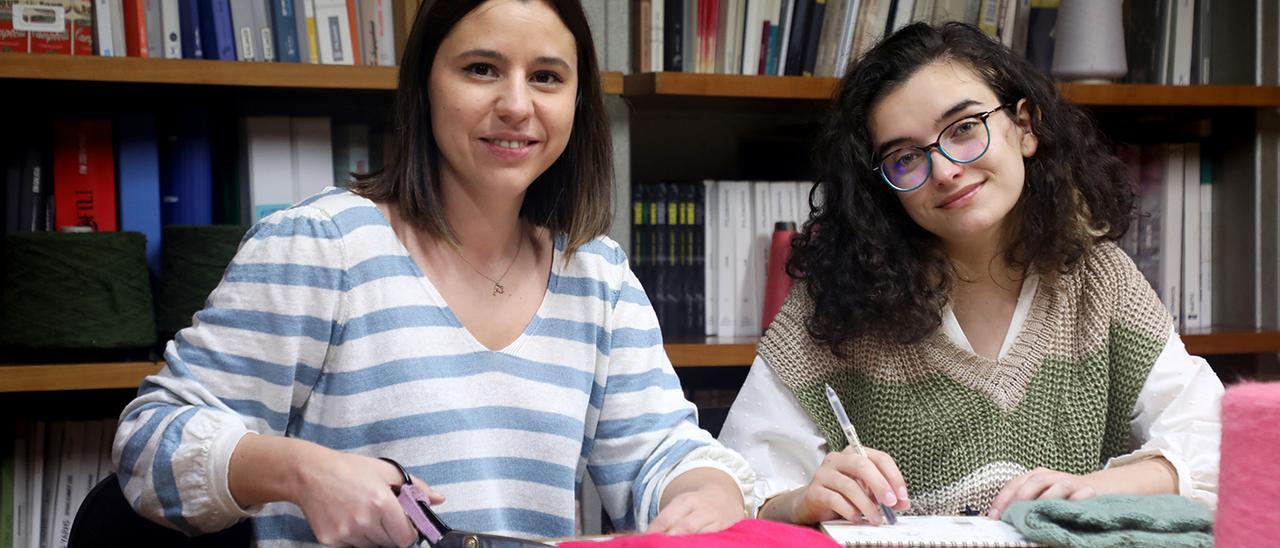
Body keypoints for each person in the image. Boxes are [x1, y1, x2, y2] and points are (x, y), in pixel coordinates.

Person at [113, 1, 753, 545]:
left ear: (578, 101)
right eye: (482, 69)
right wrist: (301, 472)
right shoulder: (324, 246)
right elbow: (149, 441)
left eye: (548, 77)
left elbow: (662, 455)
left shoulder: (598, 278)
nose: (516, 105)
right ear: (424, 84)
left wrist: (708, 489)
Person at [719, 22, 1222, 527]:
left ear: (1024, 127)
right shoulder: (833, 303)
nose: (944, 170)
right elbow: (738, 485)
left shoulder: (1099, 281)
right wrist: (801, 500)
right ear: (882, 187)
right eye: (906, 157)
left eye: (963, 128)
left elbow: (1218, 440)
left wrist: (1095, 488)